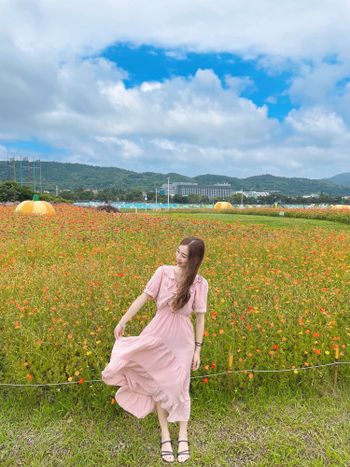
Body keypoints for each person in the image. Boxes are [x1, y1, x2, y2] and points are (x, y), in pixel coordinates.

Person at [101, 236, 208, 463]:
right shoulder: (163, 272)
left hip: (183, 339)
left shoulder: (200, 283)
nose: (177, 258)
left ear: (194, 260)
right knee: (159, 383)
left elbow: (200, 318)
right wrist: (123, 321)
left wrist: (198, 349)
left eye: (183, 255)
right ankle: (165, 435)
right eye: (177, 252)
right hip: (158, 333)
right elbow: (144, 297)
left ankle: (183, 434)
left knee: (181, 386)